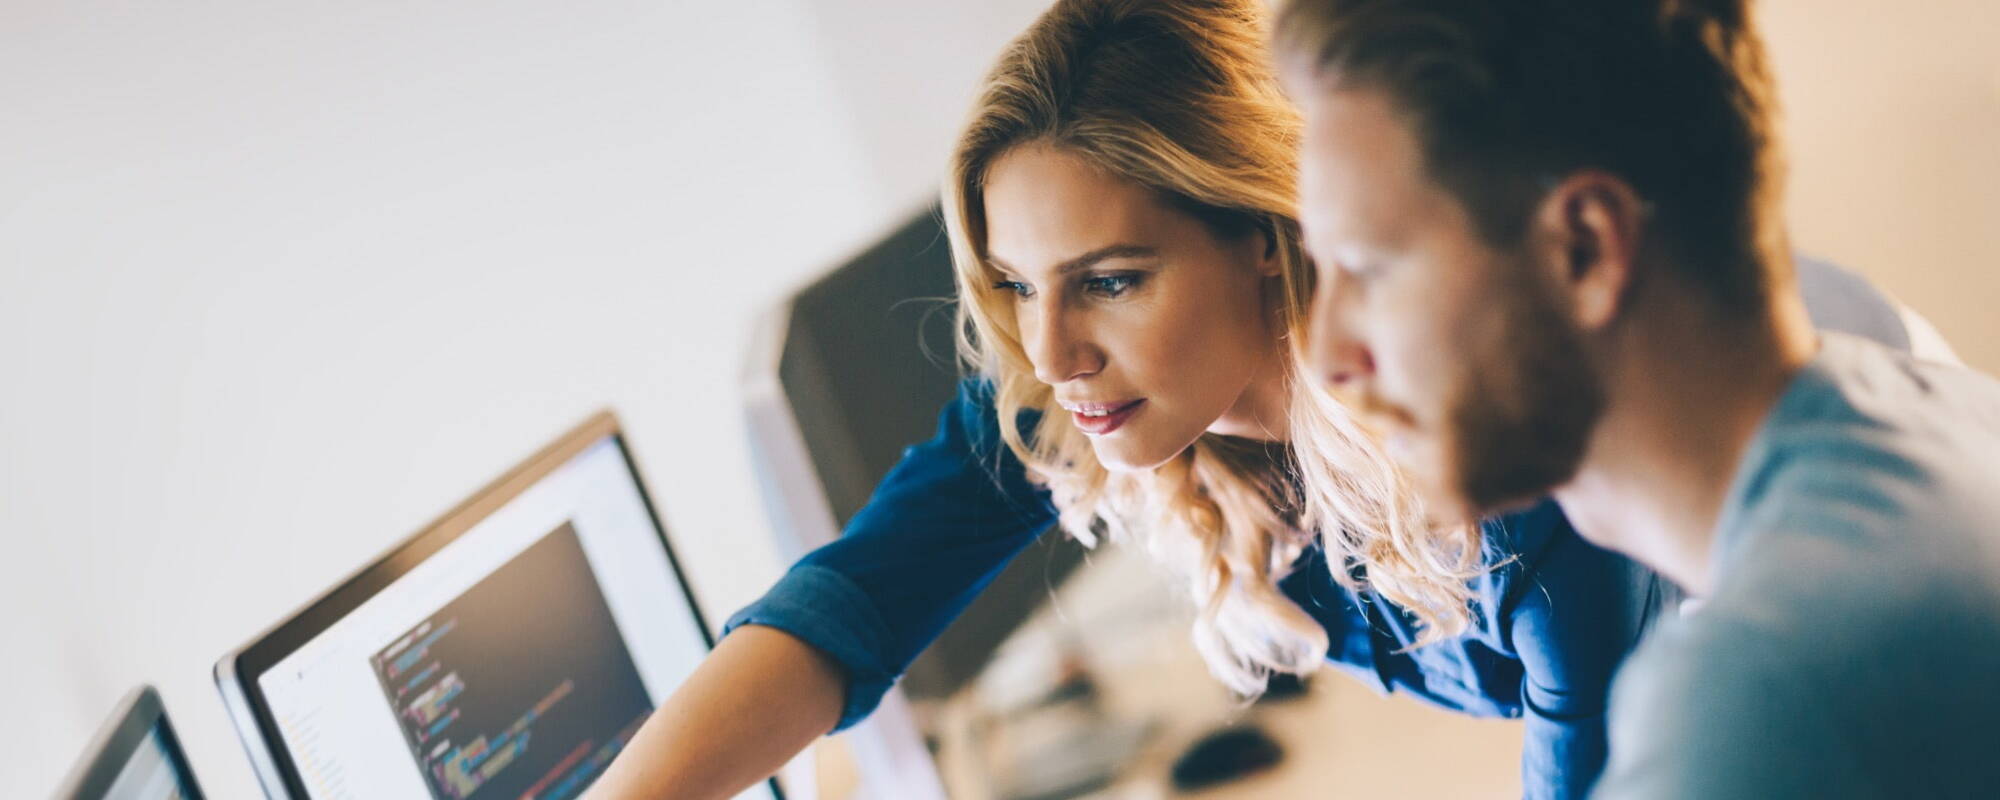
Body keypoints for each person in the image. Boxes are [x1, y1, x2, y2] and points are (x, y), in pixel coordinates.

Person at [584, 2, 1949, 799]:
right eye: (1013, 286)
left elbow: (1595, 743)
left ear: (1269, 235)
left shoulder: (1505, 429)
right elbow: (854, 600)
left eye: (1111, 279)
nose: (1049, 353)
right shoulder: (1087, 383)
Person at [1275, 0, 2000, 796]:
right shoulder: (1943, 411)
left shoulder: (1765, 696)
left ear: (1583, 249)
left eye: (1369, 271)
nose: (1329, 357)